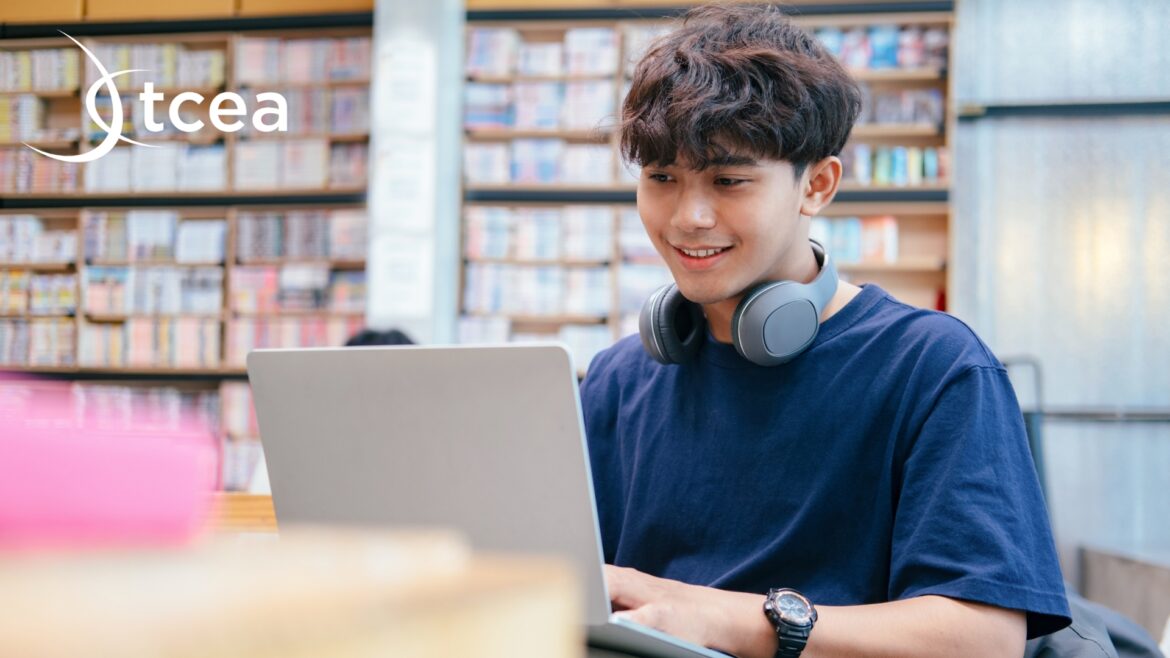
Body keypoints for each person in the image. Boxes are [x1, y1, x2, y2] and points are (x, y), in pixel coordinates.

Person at [579, 5, 1072, 657]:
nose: (688, 216)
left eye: (729, 180)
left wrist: (715, 618)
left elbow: (980, 641)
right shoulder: (617, 379)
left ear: (818, 183)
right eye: (661, 178)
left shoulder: (934, 368)